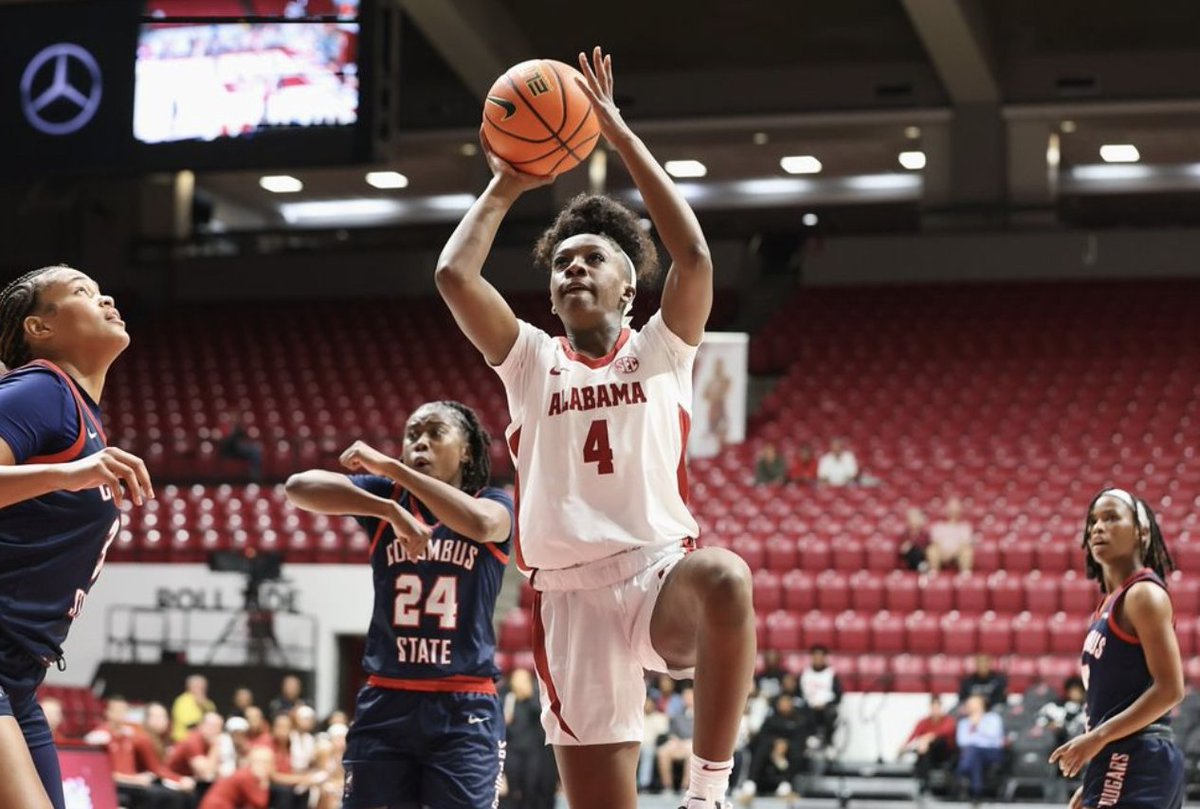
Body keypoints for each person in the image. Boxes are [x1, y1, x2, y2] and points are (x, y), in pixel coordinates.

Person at [435, 46, 755, 809]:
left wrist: (619, 135)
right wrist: (507, 180)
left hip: (656, 574)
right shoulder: (529, 359)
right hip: (570, 599)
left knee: (725, 576)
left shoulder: (662, 349)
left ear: (629, 285)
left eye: (592, 259)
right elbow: (453, 275)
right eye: (562, 264)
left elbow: (694, 255)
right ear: (550, 294)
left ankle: (707, 793)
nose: (573, 269)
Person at [285, 399, 514, 809]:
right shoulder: (386, 499)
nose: (420, 443)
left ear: (467, 451)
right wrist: (387, 508)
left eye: (435, 433)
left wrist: (392, 467)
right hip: (387, 698)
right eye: (412, 435)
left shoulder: (493, 500)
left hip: (463, 704)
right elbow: (298, 487)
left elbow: (482, 525)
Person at [0, 265, 152, 809]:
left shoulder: (77, 411)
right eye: (83, 292)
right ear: (39, 328)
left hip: (20, 675)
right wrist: (68, 474)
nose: (105, 297)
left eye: (102, 290)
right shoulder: (39, 390)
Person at [1049, 488, 1185, 809]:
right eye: (1093, 521)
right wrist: (1097, 771)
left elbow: (1170, 689)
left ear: (1141, 531)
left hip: (1138, 756)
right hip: (1120, 760)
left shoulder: (1143, 595)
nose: (1098, 527)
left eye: (1111, 518)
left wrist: (1097, 740)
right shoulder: (1110, 604)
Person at [89, 696, 194, 809]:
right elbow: (102, 773)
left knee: (178, 796)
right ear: (108, 712)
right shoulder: (100, 737)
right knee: (165, 796)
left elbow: (155, 766)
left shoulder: (132, 735)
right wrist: (135, 779)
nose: (121, 714)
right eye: (117, 710)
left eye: (124, 710)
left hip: (134, 783)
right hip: (120, 784)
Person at [899, 695, 956, 793]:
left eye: (937, 707)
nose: (935, 710)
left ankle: (922, 780)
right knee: (923, 752)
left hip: (944, 752)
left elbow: (946, 731)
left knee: (933, 743)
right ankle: (923, 781)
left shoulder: (948, 720)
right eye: (933, 707)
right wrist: (904, 746)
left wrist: (928, 738)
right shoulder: (924, 722)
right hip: (928, 753)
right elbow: (914, 735)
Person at [955, 694, 1004, 801]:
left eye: (972, 704)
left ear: (980, 705)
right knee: (975, 757)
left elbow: (994, 737)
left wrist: (978, 725)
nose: (969, 706)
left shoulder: (993, 718)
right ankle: (977, 792)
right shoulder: (964, 722)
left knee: (973, 753)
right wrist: (972, 727)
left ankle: (963, 772)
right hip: (973, 753)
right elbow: (961, 741)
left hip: (992, 751)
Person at [198, 745, 273, 809]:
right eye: (261, 762)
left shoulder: (243, 773)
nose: (265, 766)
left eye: (267, 763)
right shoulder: (246, 776)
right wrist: (264, 783)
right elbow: (260, 803)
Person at [799, 646, 842, 746]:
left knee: (829, 714)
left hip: (826, 707)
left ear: (824, 658)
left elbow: (838, 695)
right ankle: (807, 740)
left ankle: (828, 742)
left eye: (821, 656)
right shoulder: (805, 673)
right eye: (816, 656)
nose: (818, 659)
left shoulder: (831, 674)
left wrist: (825, 704)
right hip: (808, 706)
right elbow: (799, 692)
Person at [657, 686, 696, 794]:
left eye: (689, 696)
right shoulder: (677, 716)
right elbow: (671, 733)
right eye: (685, 696)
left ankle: (685, 787)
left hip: (691, 743)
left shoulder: (701, 715)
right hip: (677, 743)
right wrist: (676, 741)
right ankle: (667, 787)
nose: (687, 698)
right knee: (662, 752)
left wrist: (687, 742)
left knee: (692, 752)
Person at [1036, 676, 1087, 746]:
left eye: (1080, 690)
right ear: (1068, 691)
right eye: (1074, 690)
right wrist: (1050, 725)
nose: (1077, 693)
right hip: (1055, 743)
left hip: (1077, 743)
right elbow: (1040, 721)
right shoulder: (1054, 707)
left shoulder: (1087, 709)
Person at [928, 497, 974, 573]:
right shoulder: (938, 526)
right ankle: (934, 573)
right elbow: (935, 542)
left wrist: (952, 553)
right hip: (941, 553)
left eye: (956, 509)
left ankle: (965, 575)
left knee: (967, 551)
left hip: (958, 554)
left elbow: (965, 543)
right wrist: (944, 552)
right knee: (932, 550)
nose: (953, 511)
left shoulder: (965, 527)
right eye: (951, 509)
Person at [173, 675, 217, 742]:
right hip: (184, 739)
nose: (200, 689)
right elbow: (189, 724)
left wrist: (203, 706)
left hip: (206, 739)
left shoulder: (209, 703)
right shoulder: (182, 701)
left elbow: (215, 722)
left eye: (202, 686)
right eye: (197, 686)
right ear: (189, 687)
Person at [701, 358, 731, 450]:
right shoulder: (711, 382)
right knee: (711, 434)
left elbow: (723, 392)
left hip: (721, 410)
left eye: (719, 366)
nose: (718, 368)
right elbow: (705, 395)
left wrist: (714, 395)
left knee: (722, 432)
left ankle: (722, 451)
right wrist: (714, 395)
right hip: (712, 412)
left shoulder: (726, 380)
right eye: (716, 366)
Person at [898, 507, 930, 572]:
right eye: (912, 519)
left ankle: (921, 566)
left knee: (914, 550)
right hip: (908, 561)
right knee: (909, 550)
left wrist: (912, 544)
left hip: (921, 558)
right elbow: (899, 552)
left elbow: (925, 548)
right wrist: (903, 549)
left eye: (916, 519)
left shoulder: (925, 535)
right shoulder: (904, 535)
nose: (914, 522)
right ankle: (920, 566)